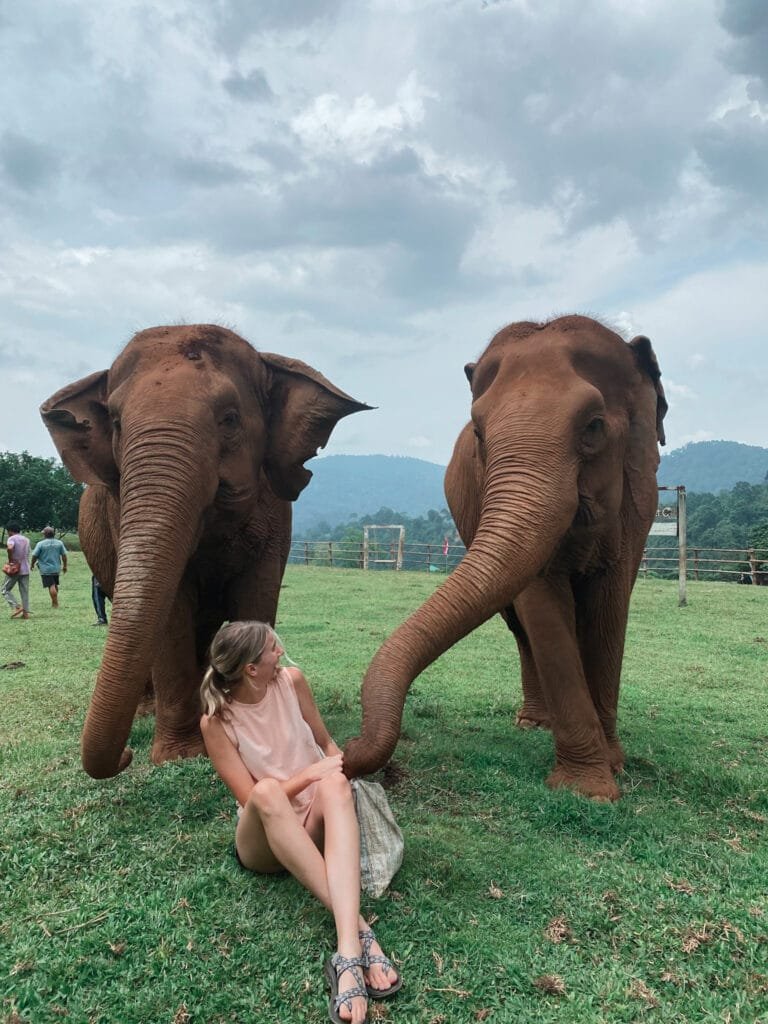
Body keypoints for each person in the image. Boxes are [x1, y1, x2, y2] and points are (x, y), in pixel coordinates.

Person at [200, 621, 402, 1024]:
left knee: (336, 786)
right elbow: (250, 799)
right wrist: (311, 774)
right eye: (274, 649)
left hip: (309, 825)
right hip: (263, 841)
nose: (282, 654)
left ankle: (348, 950)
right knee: (268, 791)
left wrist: (339, 778)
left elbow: (326, 744)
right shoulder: (217, 722)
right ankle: (363, 930)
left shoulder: (292, 682)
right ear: (250, 669)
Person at [30, 526, 68, 608]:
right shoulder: (59, 543)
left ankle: (55, 603)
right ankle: (54, 602)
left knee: (51, 585)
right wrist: (65, 566)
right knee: (54, 585)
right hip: (56, 568)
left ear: (45, 534)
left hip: (45, 569)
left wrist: (32, 564)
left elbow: (34, 555)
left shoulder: (40, 544)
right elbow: (64, 555)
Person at [2, 523, 31, 620]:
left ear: (10, 530)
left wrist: (11, 560)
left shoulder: (12, 538)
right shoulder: (26, 540)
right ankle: (26, 614)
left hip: (14, 569)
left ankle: (17, 607)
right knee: (24, 592)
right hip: (25, 568)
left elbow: (10, 548)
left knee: (4, 590)